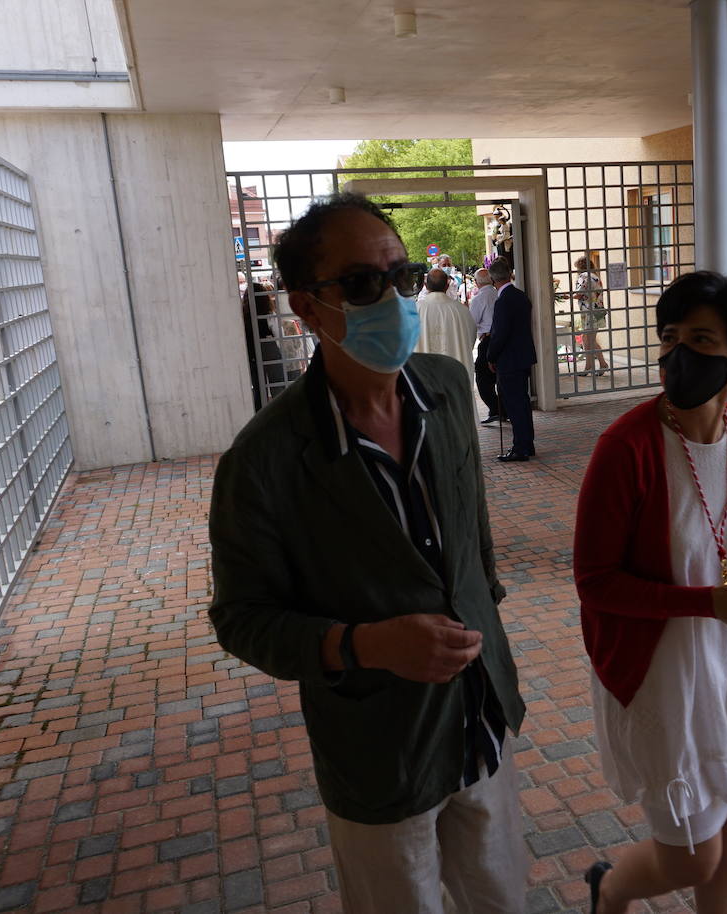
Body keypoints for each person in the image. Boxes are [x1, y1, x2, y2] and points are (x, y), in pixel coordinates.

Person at [208, 193, 528, 914]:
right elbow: (243, 619)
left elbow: (472, 543)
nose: (390, 297)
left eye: (401, 276)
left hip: (481, 723)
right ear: (307, 308)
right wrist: (364, 644)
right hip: (381, 753)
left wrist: (487, 616)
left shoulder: (446, 391)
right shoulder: (264, 460)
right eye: (359, 283)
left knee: (503, 901)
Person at [573, 271, 727, 914]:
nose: (677, 355)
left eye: (701, 339)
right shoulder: (626, 446)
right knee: (691, 853)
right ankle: (608, 889)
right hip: (662, 670)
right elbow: (595, 581)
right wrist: (708, 603)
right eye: (669, 337)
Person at [486, 256, 537, 462]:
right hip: (523, 357)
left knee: (515, 405)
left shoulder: (503, 301)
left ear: (493, 279)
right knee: (522, 403)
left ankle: (520, 448)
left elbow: (500, 334)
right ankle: (527, 443)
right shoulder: (520, 295)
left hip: (510, 360)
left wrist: (491, 355)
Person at [416, 268, 477, 365]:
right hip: (455, 370)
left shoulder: (415, 311)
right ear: (447, 286)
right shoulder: (461, 311)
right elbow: (470, 337)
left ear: (426, 286)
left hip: (425, 372)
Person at [242, 281, 286, 410]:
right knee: (277, 384)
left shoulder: (244, 315)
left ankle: (261, 414)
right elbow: (279, 334)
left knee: (259, 388)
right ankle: (280, 412)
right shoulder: (268, 313)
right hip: (269, 348)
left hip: (251, 353)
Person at [468, 268, 501, 424]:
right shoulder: (498, 293)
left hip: (487, 340)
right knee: (498, 377)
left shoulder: (479, 298)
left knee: (482, 379)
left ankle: (496, 408)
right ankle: (502, 408)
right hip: (501, 339)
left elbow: (472, 322)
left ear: (476, 283)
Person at [573, 256, 610, 376]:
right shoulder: (595, 276)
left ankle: (601, 364)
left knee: (589, 340)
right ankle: (590, 366)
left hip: (590, 312)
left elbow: (579, 293)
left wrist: (567, 296)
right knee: (587, 339)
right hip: (598, 310)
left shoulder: (584, 276)